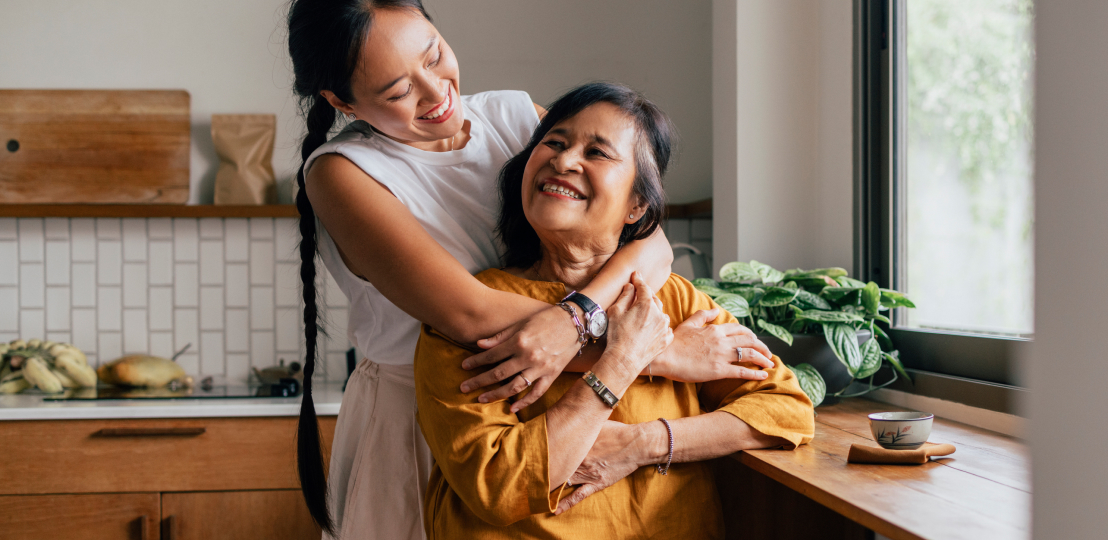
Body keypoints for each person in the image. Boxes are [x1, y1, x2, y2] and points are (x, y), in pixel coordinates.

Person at [284, 1, 778, 538]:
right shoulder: (341, 174)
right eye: (399, 92)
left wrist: (580, 316)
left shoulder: (515, 117)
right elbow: (470, 315)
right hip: (433, 416)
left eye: (434, 56)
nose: (435, 91)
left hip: (542, 402)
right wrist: (655, 351)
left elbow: (649, 237)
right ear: (341, 102)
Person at [414, 82, 816, 539]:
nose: (564, 161)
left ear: (637, 205)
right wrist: (622, 362)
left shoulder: (673, 300)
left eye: (598, 153)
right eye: (555, 142)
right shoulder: (471, 313)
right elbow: (498, 484)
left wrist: (643, 443)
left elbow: (786, 408)